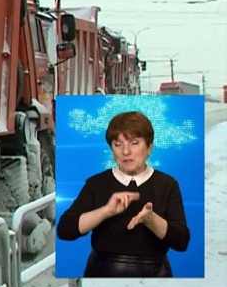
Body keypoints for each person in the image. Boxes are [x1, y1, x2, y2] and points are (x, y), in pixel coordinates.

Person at [57, 111, 189, 277]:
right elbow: (65, 230)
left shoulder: (167, 184)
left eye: (134, 143)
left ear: (149, 148)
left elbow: (182, 242)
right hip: (101, 273)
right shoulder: (96, 184)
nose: (126, 151)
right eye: (118, 144)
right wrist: (105, 211)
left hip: (155, 274)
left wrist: (151, 220)